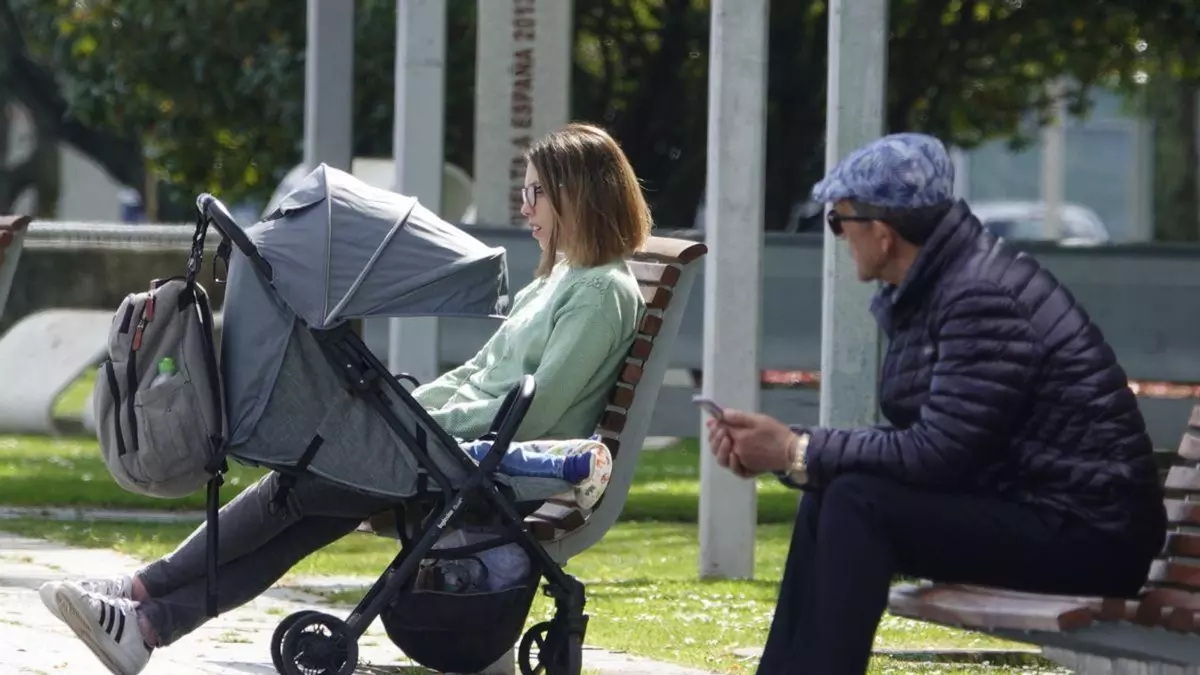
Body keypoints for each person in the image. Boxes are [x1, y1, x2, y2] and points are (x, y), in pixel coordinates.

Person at [38, 122, 651, 675]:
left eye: (537, 191)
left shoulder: (601, 294)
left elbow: (539, 410)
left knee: (305, 485)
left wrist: (430, 425)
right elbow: (480, 372)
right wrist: (414, 412)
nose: (525, 206)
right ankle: (145, 613)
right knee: (305, 487)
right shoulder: (560, 279)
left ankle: (144, 607)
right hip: (455, 450)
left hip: (492, 464)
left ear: (577, 195)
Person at [705, 133, 1167, 675]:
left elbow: (939, 454)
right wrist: (792, 453)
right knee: (834, 494)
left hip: (1089, 539)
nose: (839, 236)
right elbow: (937, 443)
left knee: (856, 502)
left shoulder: (980, 297)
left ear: (881, 233)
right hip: (1041, 512)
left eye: (839, 221)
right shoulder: (948, 285)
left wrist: (795, 450)